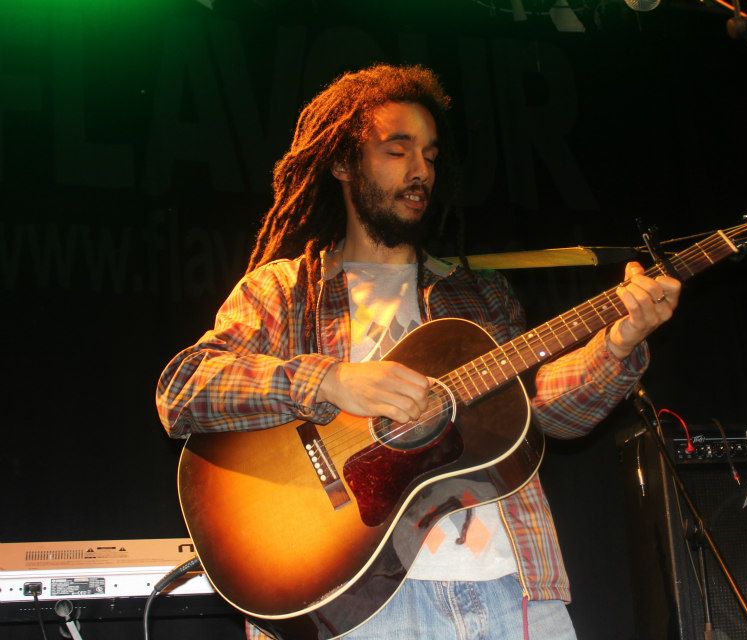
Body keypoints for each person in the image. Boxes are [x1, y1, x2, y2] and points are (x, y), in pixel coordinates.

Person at [156, 64, 680, 639]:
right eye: (397, 150)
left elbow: (546, 414)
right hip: (354, 607)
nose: (421, 171)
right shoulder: (284, 289)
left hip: (508, 589)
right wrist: (331, 381)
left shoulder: (479, 294)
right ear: (342, 164)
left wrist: (618, 343)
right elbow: (184, 389)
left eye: (430, 155)